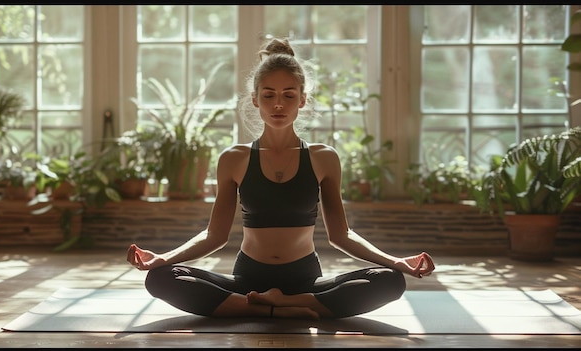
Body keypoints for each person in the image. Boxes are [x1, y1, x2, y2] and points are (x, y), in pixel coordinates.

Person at [127, 37, 435, 320]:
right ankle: (275, 306)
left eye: (289, 95)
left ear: (302, 100)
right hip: (247, 279)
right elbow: (215, 236)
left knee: (390, 281)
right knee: (160, 278)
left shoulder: (323, 158)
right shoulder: (234, 159)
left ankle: (276, 304)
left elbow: (341, 235)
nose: (278, 104)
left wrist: (395, 261)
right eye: (269, 94)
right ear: (255, 99)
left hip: (305, 279)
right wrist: (162, 258)